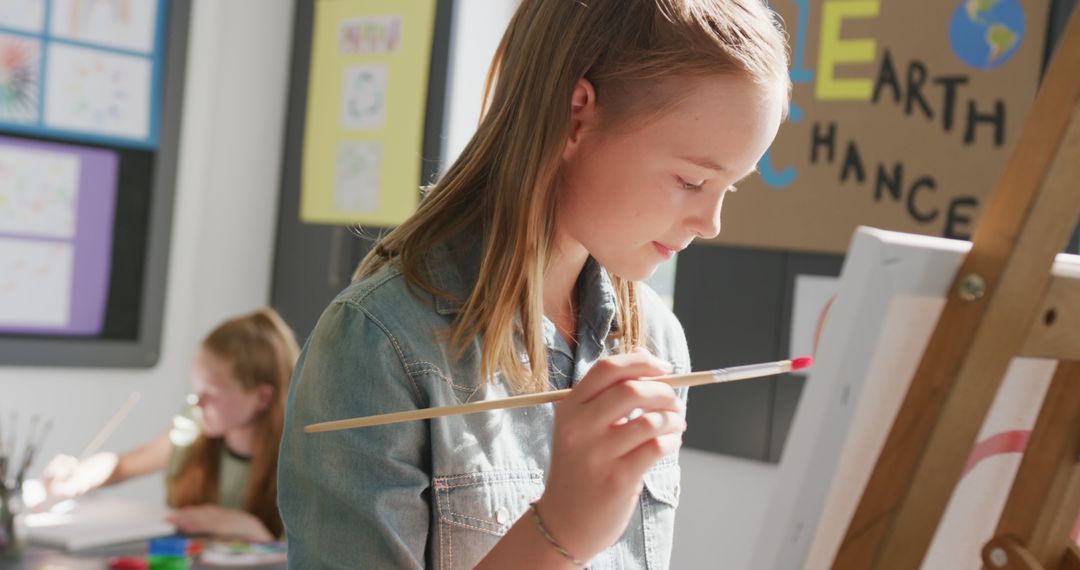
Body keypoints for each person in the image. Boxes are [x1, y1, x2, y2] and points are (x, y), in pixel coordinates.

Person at [278, 0, 789, 566]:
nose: (711, 224)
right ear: (576, 115)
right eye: (692, 180)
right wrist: (560, 530)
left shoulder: (656, 342)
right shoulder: (380, 343)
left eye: (731, 188)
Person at [44, 308, 300, 543]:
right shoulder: (193, 426)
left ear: (263, 397)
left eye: (212, 393)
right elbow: (122, 466)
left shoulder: (301, 460)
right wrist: (81, 475)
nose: (197, 402)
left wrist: (250, 530)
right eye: (196, 388)